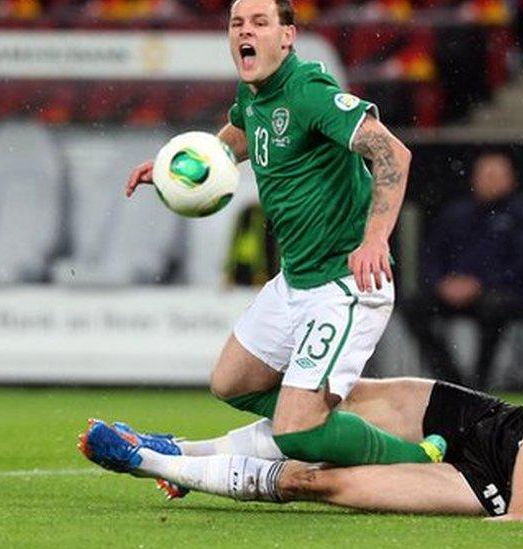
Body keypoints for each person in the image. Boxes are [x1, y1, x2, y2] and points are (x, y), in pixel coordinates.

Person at [80, 278, 523, 526]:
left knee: (329, 482)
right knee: (354, 398)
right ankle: (185, 450)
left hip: (485, 483)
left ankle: (151, 462)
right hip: (502, 426)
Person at [123, 0, 445, 468]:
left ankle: (418, 461)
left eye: (259, 22)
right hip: (295, 280)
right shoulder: (253, 93)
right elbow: (240, 133)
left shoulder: (309, 90)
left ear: (287, 36)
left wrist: (375, 239)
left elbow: (393, 153)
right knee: (231, 382)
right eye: (237, 24)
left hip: (344, 283)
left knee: (296, 434)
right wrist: (179, 170)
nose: (244, 32)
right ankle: (322, 420)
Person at [401, 152, 523, 388]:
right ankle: (450, 378)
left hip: (500, 292)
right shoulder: (456, 213)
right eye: (485, 175)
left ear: (511, 179)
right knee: (413, 306)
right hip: (451, 290)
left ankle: (480, 383)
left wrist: (481, 283)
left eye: (496, 175)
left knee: (493, 309)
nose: (490, 181)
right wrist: (441, 283)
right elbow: (431, 254)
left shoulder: (522, 214)